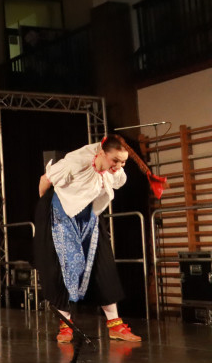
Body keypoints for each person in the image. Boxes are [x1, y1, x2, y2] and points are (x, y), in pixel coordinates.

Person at [35, 134, 164, 343]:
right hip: (59, 215)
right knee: (62, 266)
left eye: (123, 162)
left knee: (102, 262)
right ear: (102, 153)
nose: (119, 166)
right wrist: (45, 213)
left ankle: (115, 324)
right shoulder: (76, 162)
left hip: (87, 215)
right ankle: (66, 325)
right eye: (115, 161)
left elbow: (116, 182)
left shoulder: (112, 170)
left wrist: (116, 167)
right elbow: (45, 180)